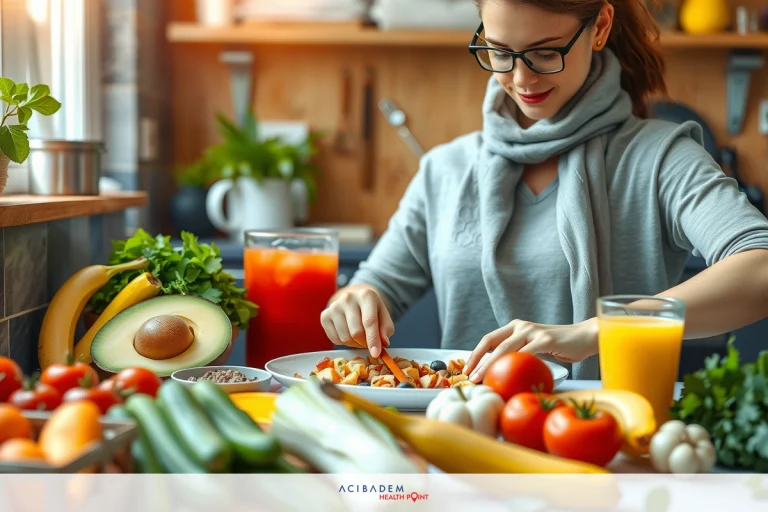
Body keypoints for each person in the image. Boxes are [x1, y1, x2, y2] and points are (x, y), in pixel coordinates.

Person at [320, 0, 768, 382]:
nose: (521, 79)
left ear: (601, 27)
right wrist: (355, 303)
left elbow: (760, 268)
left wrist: (599, 330)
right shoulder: (445, 169)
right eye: (499, 52)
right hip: (462, 437)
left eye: (545, 52)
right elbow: (372, 288)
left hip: (611, 444)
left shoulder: (660, 157)